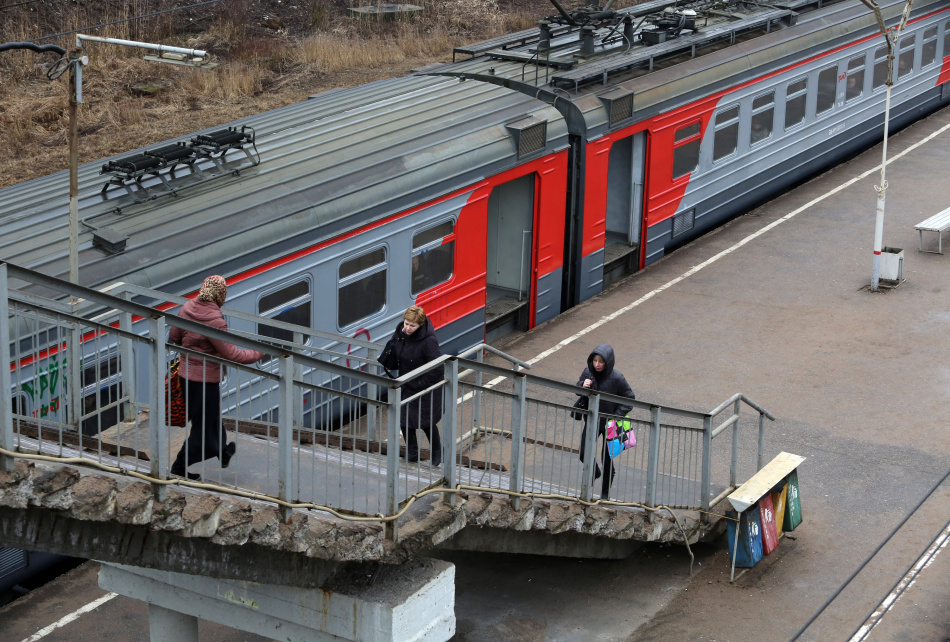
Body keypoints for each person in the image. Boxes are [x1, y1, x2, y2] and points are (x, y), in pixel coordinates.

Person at [168, 275, 266, 480]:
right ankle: (179, 466)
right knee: (202, 427)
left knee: (210, 420)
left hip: (186, 377)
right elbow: (234, 355)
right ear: (220, 294)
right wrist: (259, 352)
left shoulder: (187, 308)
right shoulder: (215, 321)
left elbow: (174, 337)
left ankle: (222, 452)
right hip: (205, 382)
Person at [576, 344, 635, 499]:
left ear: (607, 362)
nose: (597, 364)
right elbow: (577, 390)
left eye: (601, 362)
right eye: (595, 360)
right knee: (583, 453)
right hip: (592, 420)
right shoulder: (588, 372)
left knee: (606, 459)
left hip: (610, 425)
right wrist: (582, 385)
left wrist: (615, 416)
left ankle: (604, 494)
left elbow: (629, 399)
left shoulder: (617, 378)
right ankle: (595, 472)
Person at [390, 305, 444, 466]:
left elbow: (438, 368)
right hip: (406, 383)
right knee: (404, 419)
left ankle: (437, 452)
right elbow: (395, 349)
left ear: (420, 325)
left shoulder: (429, 341)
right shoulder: (401, 333)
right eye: (406, 323)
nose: (407, 328)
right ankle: (412, 452)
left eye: (412, 326)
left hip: (424, 386)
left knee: (426, 421)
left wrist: (421, 384)